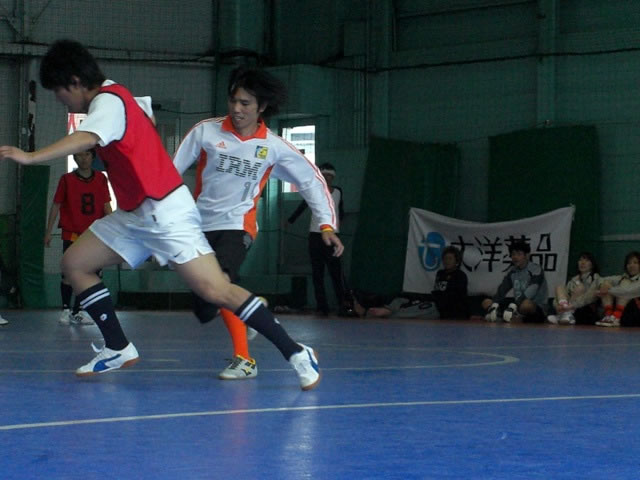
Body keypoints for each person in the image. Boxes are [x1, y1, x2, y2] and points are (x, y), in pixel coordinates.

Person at [0, 39, 325, 390]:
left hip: (165, 212)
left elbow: (86, 137)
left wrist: (31, 157)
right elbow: (143, 112)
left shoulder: (108, 103)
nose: (60, 99)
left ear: (75, 82)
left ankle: (297, 353)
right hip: (134, 213)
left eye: (59, 92)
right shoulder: (116, 95)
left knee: (216, 290)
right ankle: (117, 346)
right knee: (75, 263)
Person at [172, 66, 343, 380]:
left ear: (261, 107)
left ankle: (246, 356)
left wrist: (326, 225)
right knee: (206, 307)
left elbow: (311, 180)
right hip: (198, 226)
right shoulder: (206, 132)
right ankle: (251, 306)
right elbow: (170, 172)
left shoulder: (273, 147)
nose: (237, 109)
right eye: (233, 101)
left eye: (245, 103)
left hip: (238, 226)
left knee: (221, 285)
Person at [44, 149, 112, 325]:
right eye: (80, 155)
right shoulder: (66, 179)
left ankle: (79, 311)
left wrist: (114, 229)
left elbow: (106, 205)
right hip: (72, 234)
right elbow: (56, 205)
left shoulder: (101, 178)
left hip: (94, 235)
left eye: (87, 154)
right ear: (74, 158)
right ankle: (66, 309)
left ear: (93, 157)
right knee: (69, 272)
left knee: (90, 273)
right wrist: (48, 231)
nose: (84, 158)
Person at [287, 162, 354, 316]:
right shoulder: (314, 191)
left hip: (333, 236)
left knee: (336, 272)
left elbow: (340, 209)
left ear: (333, 177)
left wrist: (337, 224)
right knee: (317, 272)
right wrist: (290, 220)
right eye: (324, 175)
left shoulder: (338, 192)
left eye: (329, 175)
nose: (327, 178)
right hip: (316, 235)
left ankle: (342, 305)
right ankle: (322, 307)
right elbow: (303, 206)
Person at [356, 246, 468, 319]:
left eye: (450, 259)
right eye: (445, 258)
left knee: (409, 311)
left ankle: (375, 313)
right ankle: (383, 308)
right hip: (434, 302)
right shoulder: (440, 273)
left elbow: (453, 299)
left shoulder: (460, 276)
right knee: (403, 297)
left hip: (441, 310)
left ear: (457, 261)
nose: (446, 261)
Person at [482, 240, 548, 323]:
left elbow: (531, 291)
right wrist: (494, 304)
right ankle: (496, 314)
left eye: (519, 254)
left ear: (527, 255)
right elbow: (502, 290)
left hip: (535, 307)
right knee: (486, 302)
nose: (515, 257)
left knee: (526, 305)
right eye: (513, 254)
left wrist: (515, 306)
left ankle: (510, 317)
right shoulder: (512, 271)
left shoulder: (536, 269)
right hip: (515, 306)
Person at [547, 252, 601, 325]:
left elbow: (591, 297)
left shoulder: (596, 278)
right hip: (568, 306)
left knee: (580, 288)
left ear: (592, 265)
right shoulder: (573, 279)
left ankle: (566, 314)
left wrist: (572, 306)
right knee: (559, 287)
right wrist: (557, 306)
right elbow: (562, 296)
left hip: (584, 308)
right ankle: (563, 314)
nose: (583, 263)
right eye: (580, 260)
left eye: (587, 260)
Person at [595, 251, 640, 327]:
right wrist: (603, 285)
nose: (631, 265)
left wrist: (609, 290)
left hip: (636, 313)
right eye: (629, 263)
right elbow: (600, 279)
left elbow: (628, 291)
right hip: (624, 312)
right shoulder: (622, 277)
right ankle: (609, 316)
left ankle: (616, 317)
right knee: (606, 283)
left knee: (623, 287)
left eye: (635, 263)